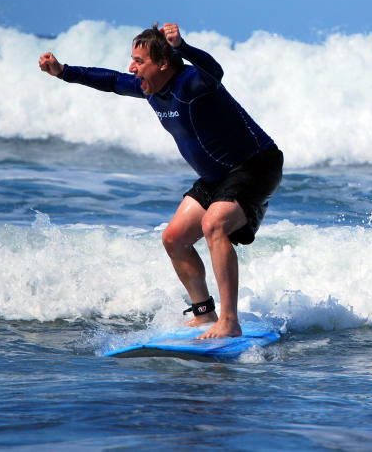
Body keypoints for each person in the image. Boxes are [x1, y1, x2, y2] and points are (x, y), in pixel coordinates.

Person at [38, 23, 282, 339]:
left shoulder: (191, 83)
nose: (132, 68)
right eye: (132, 60)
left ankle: (229, 321)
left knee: (214, 224)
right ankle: (204, 314)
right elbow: (112, 80)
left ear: (163, 63)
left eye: (139, 61)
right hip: (216, 178)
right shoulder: (150, 89)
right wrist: (63, 72)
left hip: (256, 165)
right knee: (174, 238)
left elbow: (215, 71)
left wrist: (183, 47)